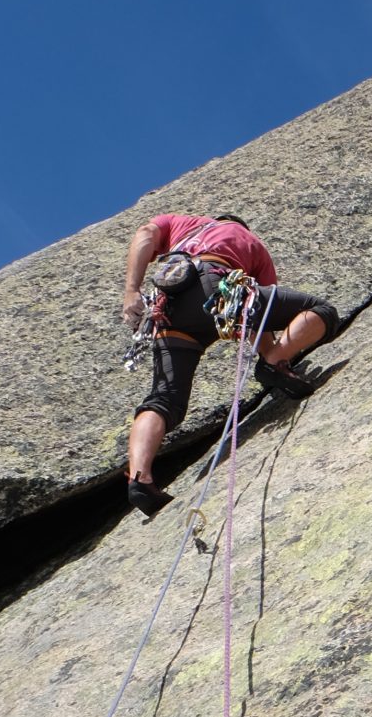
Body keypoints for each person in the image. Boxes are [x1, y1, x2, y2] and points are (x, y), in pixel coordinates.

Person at [118, 211, 336, 516]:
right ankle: (275, 364)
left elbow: (145, 233)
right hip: (217, 288)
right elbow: (259, 324)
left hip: (169, 307)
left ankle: (140, 479)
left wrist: (131, 290)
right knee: (321, 309)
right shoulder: (252, 244)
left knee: (164, 400)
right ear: (241, 225)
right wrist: (273, 358)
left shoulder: (182, 223)